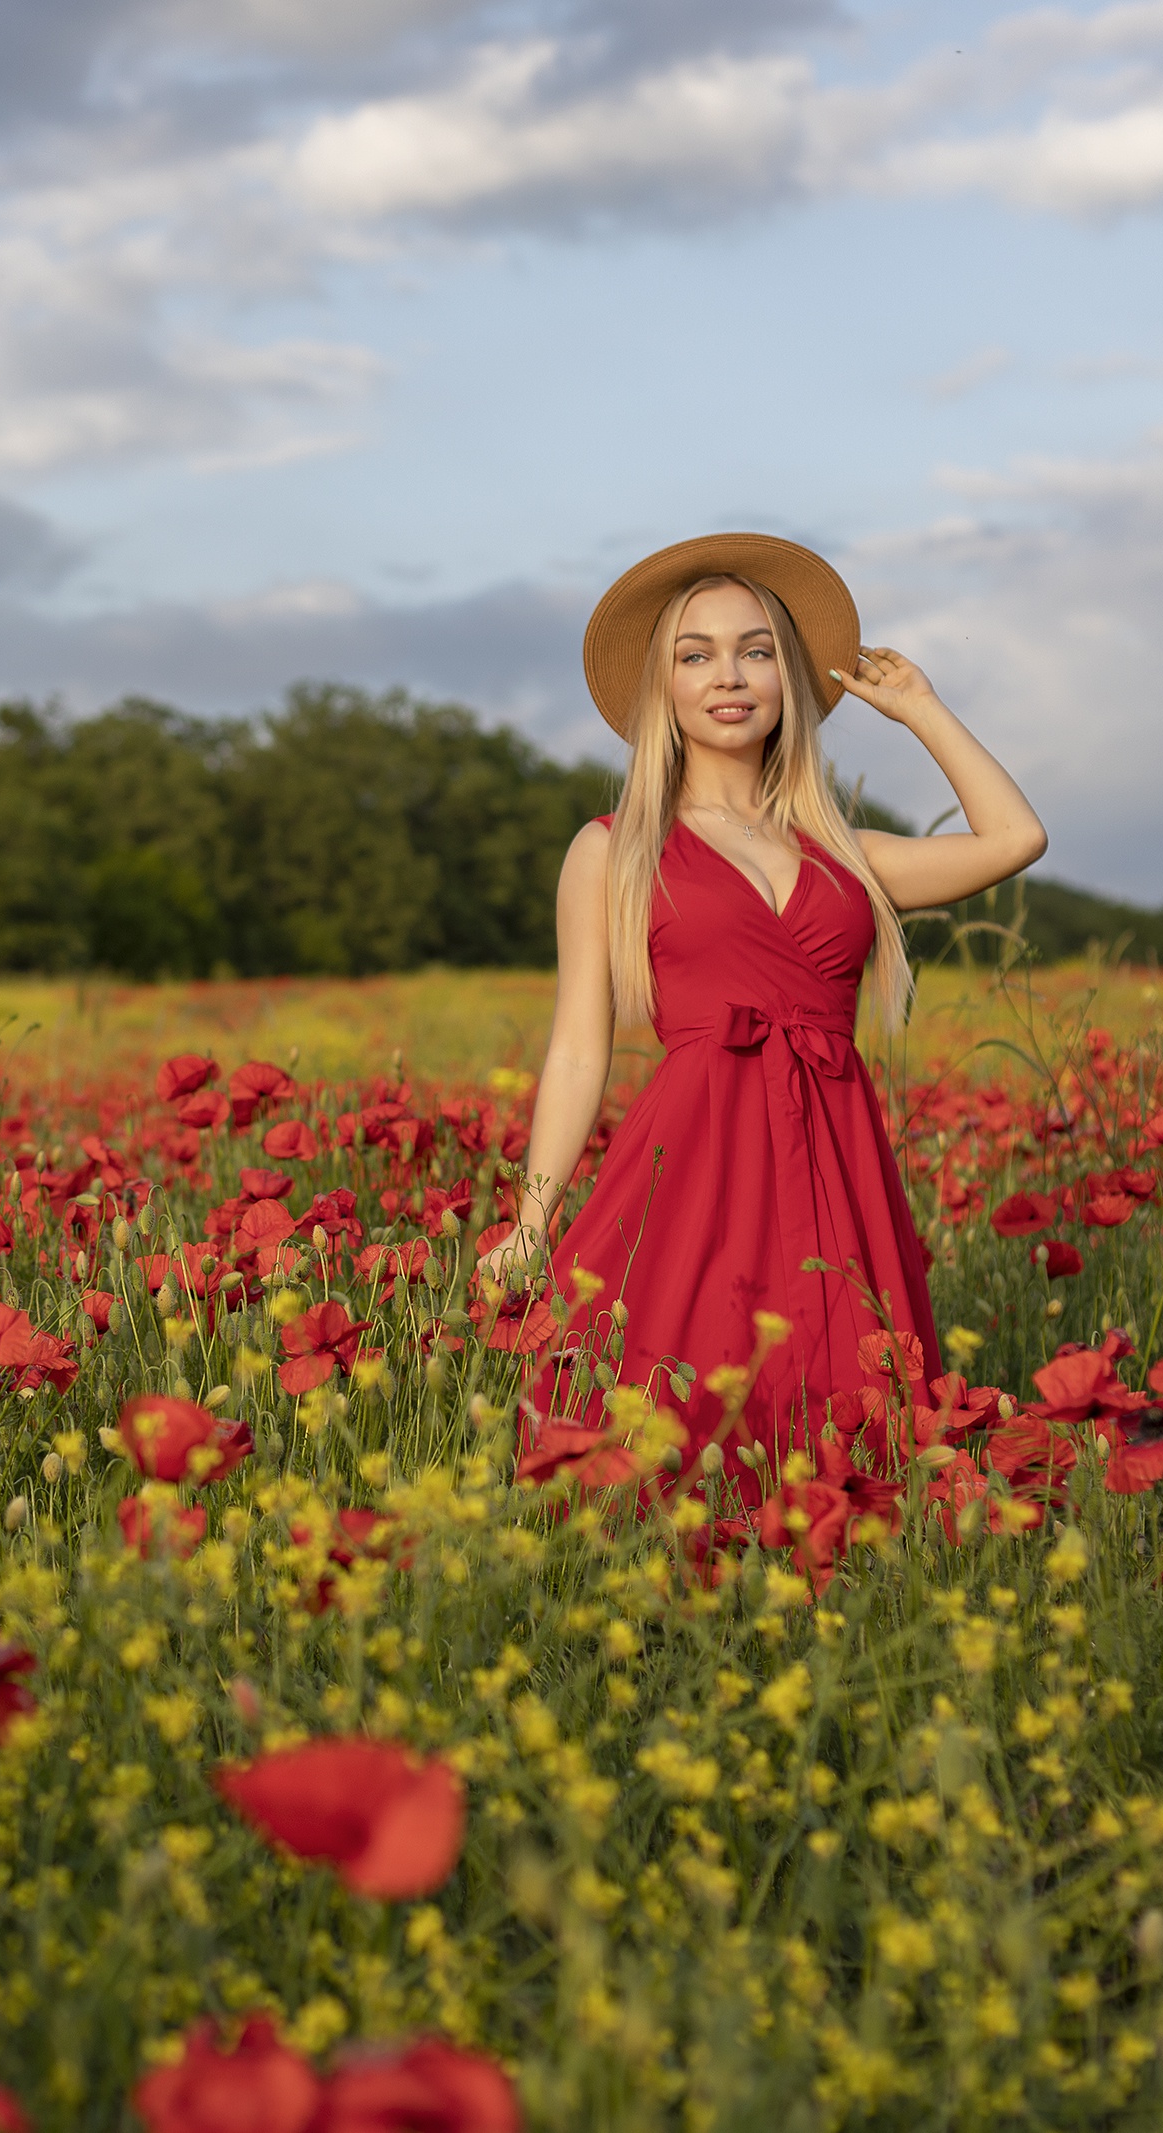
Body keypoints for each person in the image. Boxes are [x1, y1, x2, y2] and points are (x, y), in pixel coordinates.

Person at [481, 531, 1045, 1502]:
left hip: (832, 1156)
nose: (726, 676)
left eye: (753, 650)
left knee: (846, 1405)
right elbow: (577, 1048)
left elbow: (1014, 837)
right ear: (661, 687)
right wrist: (530, 1220)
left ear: (787, 676)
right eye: (693, 655)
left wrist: (918, 709)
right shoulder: (611, 849)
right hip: (694, 1157)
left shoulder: (845, 852)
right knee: (682, 1414)